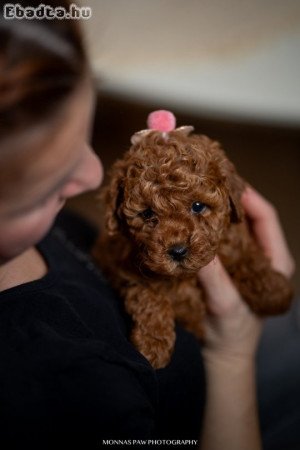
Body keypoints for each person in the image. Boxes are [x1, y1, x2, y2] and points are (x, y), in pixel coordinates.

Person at [0, 2, 297, 449]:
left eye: (85, 135)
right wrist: (232, 355)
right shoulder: (66, 392)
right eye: (51, 182)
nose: (95, 176)